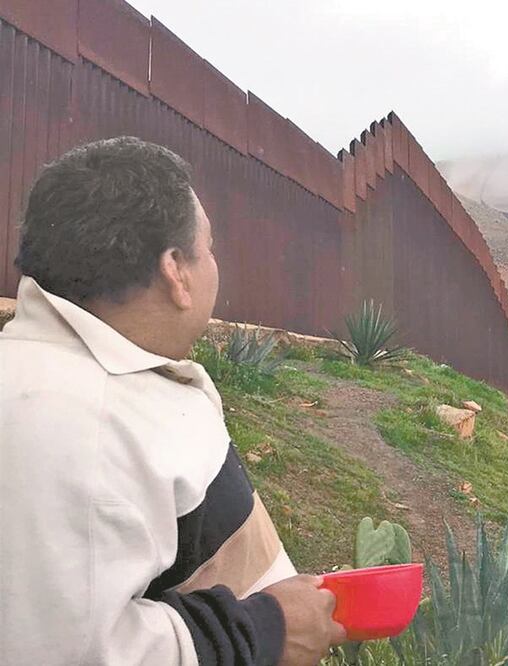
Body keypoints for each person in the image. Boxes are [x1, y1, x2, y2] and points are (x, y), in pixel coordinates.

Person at [0, 137, 346, 665]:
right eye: (209, 248)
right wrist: (267, 632)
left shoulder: (72, 379)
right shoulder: (82, 426)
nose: (214, 266)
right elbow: (68, 651)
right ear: (175, 271)